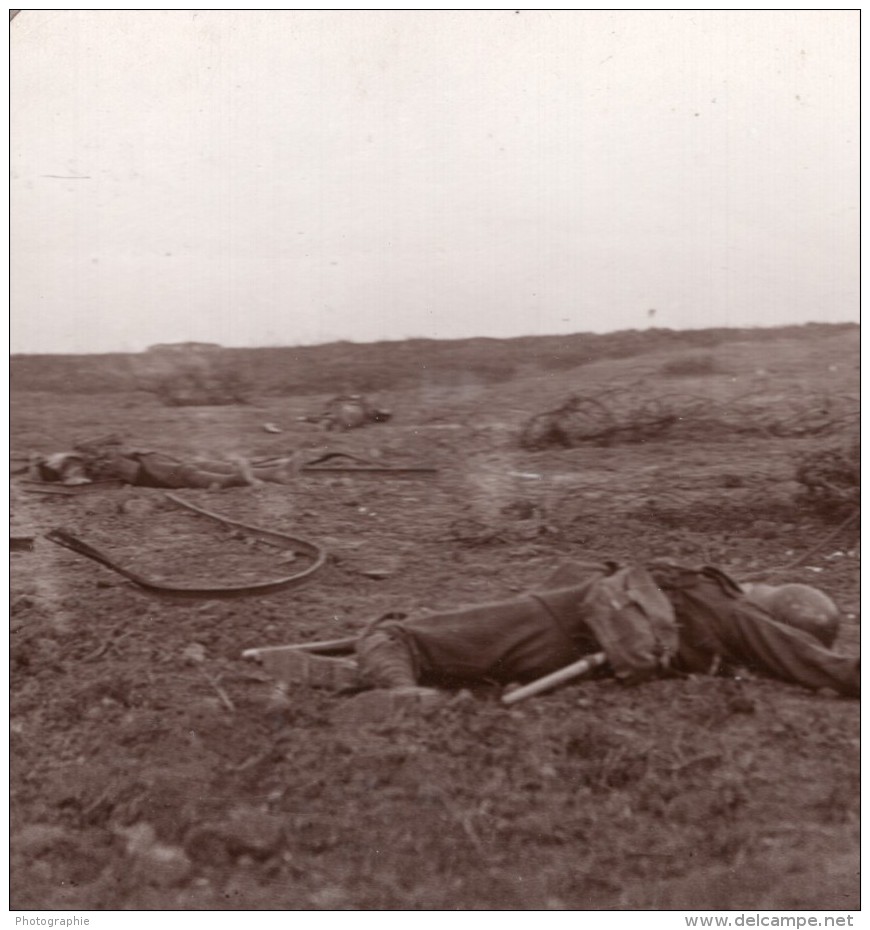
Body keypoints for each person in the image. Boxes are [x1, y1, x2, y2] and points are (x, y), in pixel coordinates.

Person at [354, 560, 859, 699]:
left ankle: (398, 687)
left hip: (562, 620)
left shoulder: (731, 609)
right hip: (571, 637)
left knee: (402, 636)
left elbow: (819, 664)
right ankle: (392, 680)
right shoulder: (727, 621)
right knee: (450, 646)